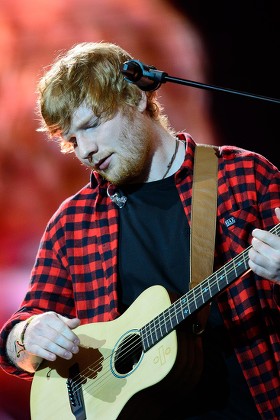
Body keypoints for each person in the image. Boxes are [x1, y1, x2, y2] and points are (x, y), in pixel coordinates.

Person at [0, 41, 279, 419]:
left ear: (135, 97)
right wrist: (26, 336)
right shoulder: (72, 224)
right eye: (71, 140)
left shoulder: (244, 177)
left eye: (92, 125)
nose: (85, 150)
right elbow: (19, 334)